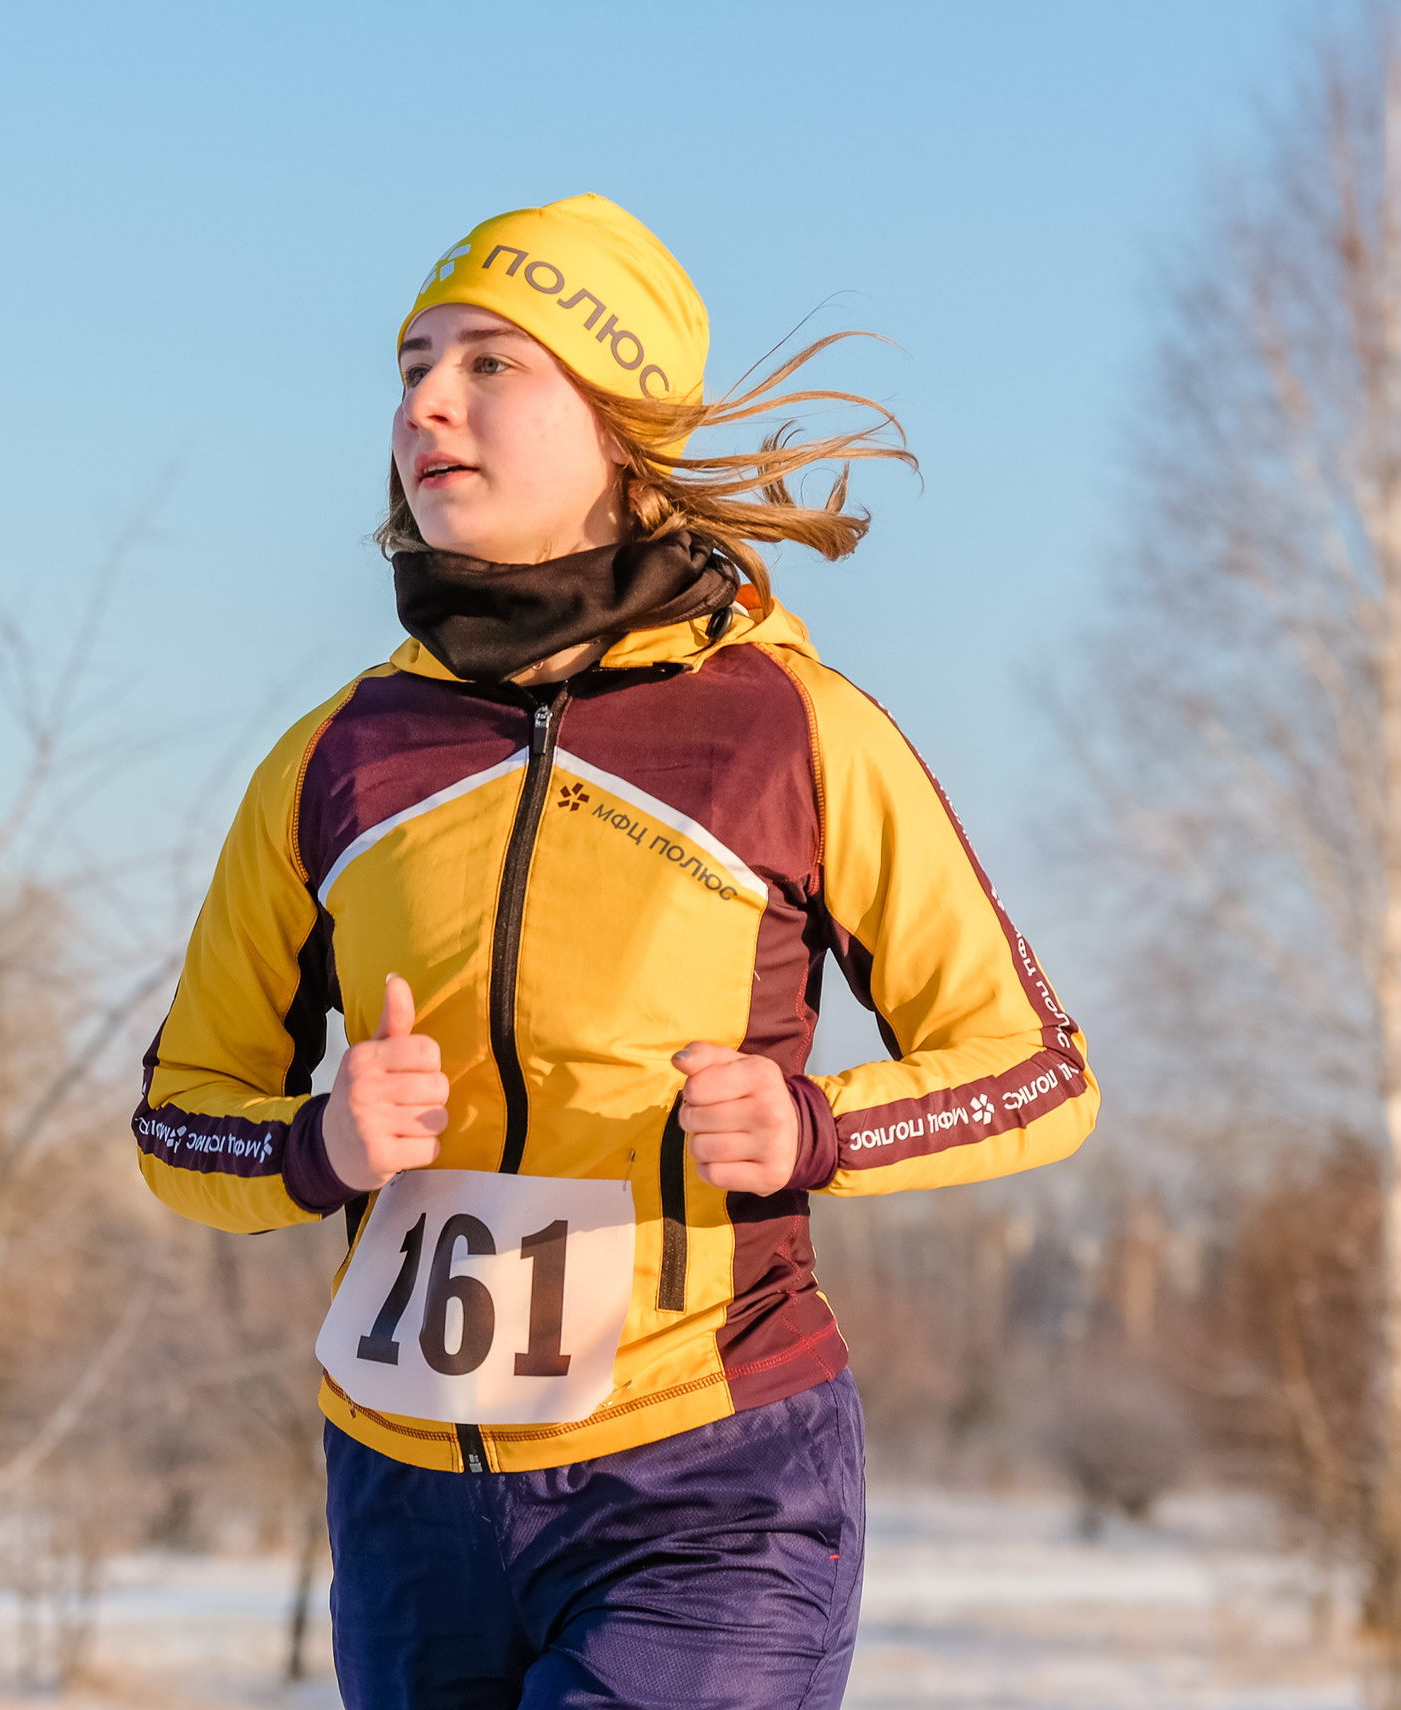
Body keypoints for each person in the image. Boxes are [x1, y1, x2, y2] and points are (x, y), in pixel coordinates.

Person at [132, 193, 1097, 1709]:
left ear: (620, 420)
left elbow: (1039, 1070)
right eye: (411, 364)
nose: (425, 401)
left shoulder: (790, 728)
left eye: (490, 362)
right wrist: (321, 1140)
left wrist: (815, 1126)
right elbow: (179, 1115)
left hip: (706, 1475)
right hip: (406, 1490)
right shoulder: (337, 757)